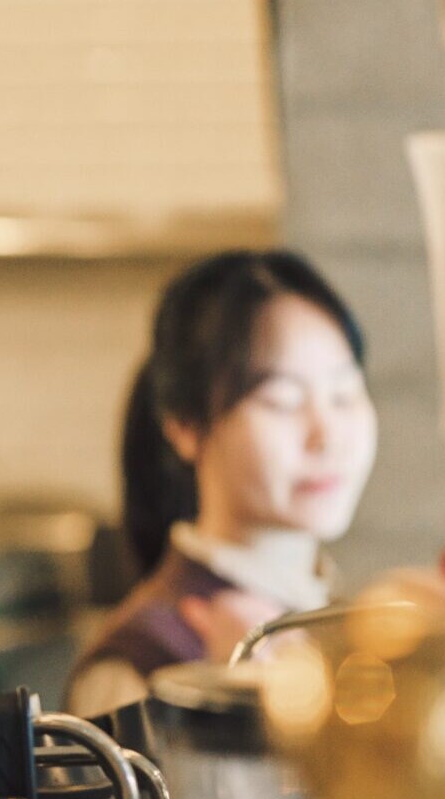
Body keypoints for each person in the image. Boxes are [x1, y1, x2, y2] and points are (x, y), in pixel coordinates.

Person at [66, 249, 376, 718]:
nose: (327, 436)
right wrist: (237, 704)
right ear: (186, 427)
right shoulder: (132, 663)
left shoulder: (345, 620)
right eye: (283, 401)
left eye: (344, 394)